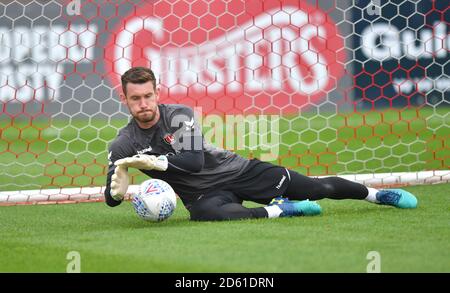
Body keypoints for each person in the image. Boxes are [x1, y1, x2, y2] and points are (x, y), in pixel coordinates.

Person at [104, 67, 418, 221]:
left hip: (239, 171)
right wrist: (117, 192)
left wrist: (153, 163)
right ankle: (279, 211)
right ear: (125, 99)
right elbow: (111, 196)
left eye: (148, 95)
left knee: (317, 189)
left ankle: (377, 196)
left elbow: (193, 162)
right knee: (206, 214)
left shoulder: (178, 115)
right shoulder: (123, 144)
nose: (143, 103)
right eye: (136, 98)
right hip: (203, 194)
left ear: (157, 92)